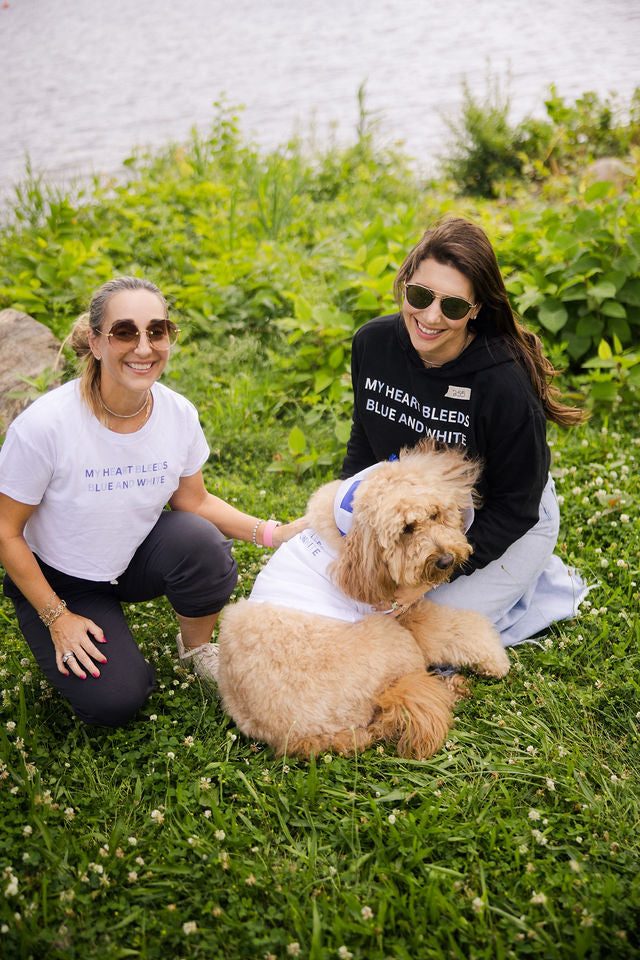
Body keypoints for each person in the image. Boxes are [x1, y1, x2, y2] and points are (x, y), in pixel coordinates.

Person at [0, 276, 300, 727]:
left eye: (156, 331)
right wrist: (57, 617)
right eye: (125, 332)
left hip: (132, 555)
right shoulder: (46, 426)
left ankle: (195, 649)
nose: (144, 347)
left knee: (201, 543)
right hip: (60, 579)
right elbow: (6, 531)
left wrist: (272, 532)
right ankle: (81, 629)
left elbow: (193, 501)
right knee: (116, 702)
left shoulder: (177, 414)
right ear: (96, 343)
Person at [342, 217, 589, 646]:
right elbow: (365, 443)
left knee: (421, 633)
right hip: (419, 519)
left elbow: (516, 506)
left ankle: (536, 583)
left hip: (509, 518)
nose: (431, 317)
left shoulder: (503, 383)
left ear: (475, 310)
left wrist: (426, 581)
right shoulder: (372, 344)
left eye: (453, 306)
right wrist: (341, 524)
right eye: (419, 295)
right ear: (404, 284)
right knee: (349, 605)